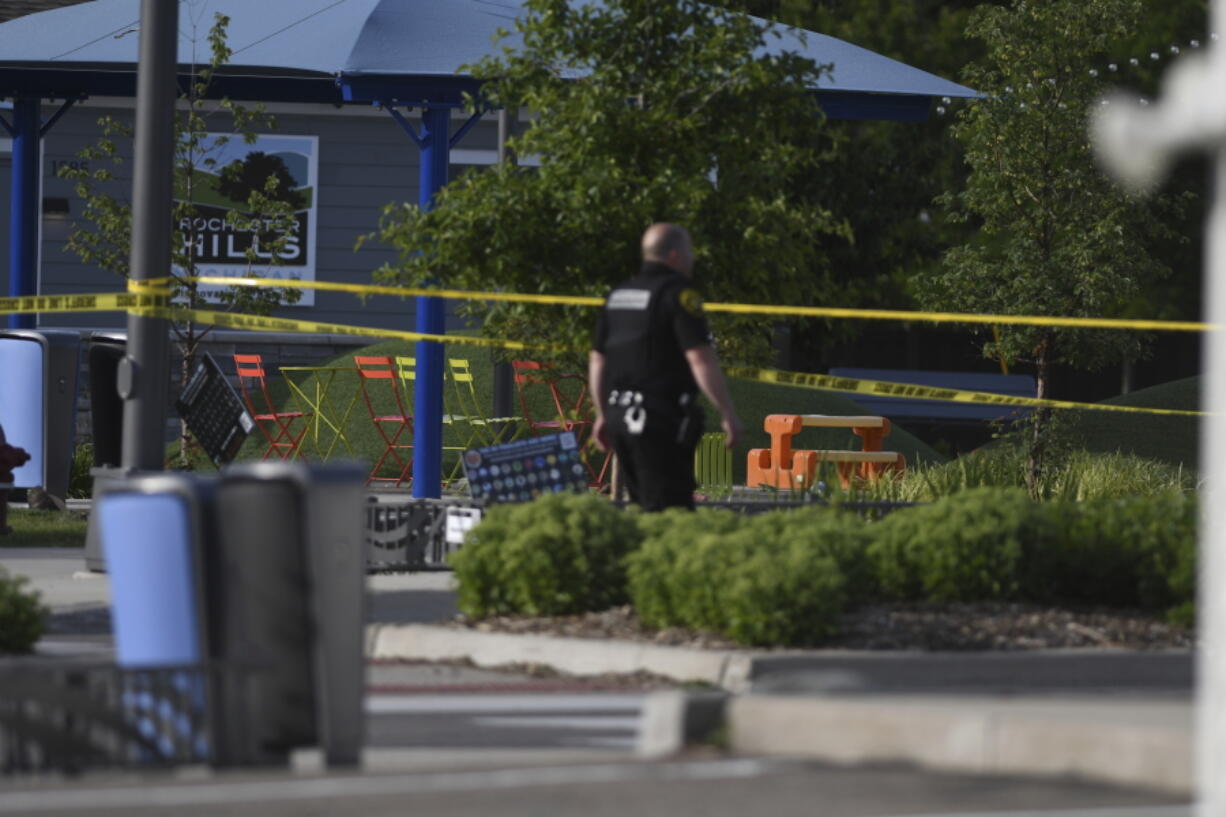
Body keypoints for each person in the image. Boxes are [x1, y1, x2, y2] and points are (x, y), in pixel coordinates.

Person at [589, 223, 743, 511]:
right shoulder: (680, 295)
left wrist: (602, 415)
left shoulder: (618, 296)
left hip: (619, 417)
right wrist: (728, 413)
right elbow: (700, 358)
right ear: (675, 255)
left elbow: (598, 360)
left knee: (642, 507)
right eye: (689, 251)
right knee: (671, 513)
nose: (692, 258)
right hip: (659, 420)